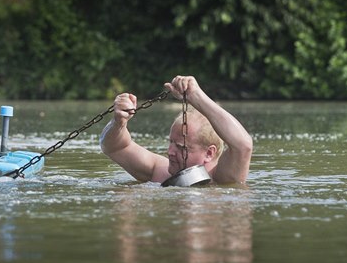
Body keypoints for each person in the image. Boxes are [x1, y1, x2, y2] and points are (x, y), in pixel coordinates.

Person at [100, 75, 253, 185]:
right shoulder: (160, 171)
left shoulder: (223, 178)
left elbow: (243, 145)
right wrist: (118, 122)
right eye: (171, 142)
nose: (170, 152)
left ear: (209, 153)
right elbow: (114, 147)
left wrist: (196, 96)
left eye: (181, 147)